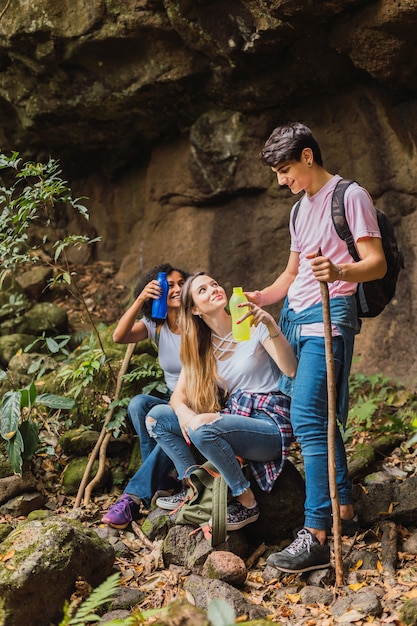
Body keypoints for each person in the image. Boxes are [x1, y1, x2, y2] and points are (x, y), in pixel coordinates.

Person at [246, 122, 387, 572]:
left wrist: (340, 273)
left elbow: (376, 264)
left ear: (308, 156)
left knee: (306, 413)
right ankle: (343, 504)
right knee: (317, 415)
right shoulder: (298, 210)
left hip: (331, 315)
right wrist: (260, 298)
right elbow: (290, 277)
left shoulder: (350, 197)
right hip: (297, 316)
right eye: (276, 173)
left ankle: (317, 532)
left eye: (285, 169)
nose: (281, 180)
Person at [146, 271, 298, 531]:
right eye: (202, 290)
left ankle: (245, 501)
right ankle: (196, 486)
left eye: (214, 284)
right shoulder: (202, 347)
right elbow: (177, 398)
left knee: (202, 427)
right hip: (234, 420)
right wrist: (186, 416)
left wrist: (271, 326)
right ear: (194, 310)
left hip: (269, 423)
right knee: (157, 418)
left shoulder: (253, 325)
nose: (214, 289)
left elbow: (291, 369)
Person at [102, 262, 189, 529]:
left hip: (196, 403)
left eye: (181, 284)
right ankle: (162, 478)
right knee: (139, 404)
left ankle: (133, 497)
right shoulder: (157, 325)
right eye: (169, 284)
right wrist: (141, 297)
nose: (177, 289)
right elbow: (119, 336)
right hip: (171, 400)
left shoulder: (199, 320)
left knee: (160, 416)